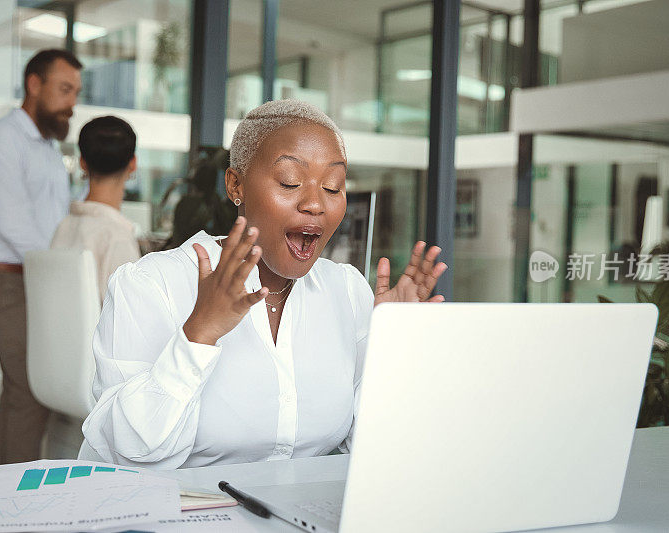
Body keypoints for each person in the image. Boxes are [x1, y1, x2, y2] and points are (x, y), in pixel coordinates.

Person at [81, 100, 447, 469]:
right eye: (291, 182)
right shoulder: (152, 284)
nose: (316, 204)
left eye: (333, 187)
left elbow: (374, 448)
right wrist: (199, 333)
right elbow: (123, 452)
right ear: (235, 185)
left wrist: (393, 352)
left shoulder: (348, 291)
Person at [0, 49, 82, 465]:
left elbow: (56, 219)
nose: (72, 102)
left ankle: (4, 492)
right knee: (31, 388)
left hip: (34, 277)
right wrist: (66, 274)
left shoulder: (47, 149)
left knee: (26, 389)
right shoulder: (1, 140)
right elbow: (15, 225)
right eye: (65, 89)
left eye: (76, 92)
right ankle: (16, 500)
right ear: (35, 84)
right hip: (5, 281)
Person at [51, 116, 141, 301]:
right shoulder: (117, 238)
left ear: (82, 163)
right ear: (133, 163)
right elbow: (129, 320)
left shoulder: (64, 227)